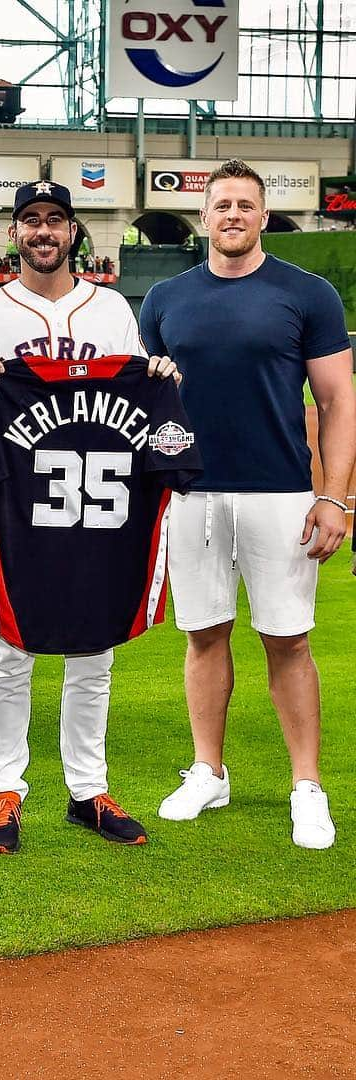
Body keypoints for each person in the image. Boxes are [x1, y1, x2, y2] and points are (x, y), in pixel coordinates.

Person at [0, 180, 179, 854]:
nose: (42, 232)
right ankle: (5, 792)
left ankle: (87, 791)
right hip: (19, 507)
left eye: (55, 220)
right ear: (15, 234)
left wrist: (159, 377)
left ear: (73, 232)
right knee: (11, 650)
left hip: (100, 506)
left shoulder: (110, 310)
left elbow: (138, 403)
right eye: (30, 221)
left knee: (93, 649)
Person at [139, 159, 356, 849]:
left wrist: (334, 495)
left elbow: (338, 402)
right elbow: (147, 406)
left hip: (283, 492)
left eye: (245, 204)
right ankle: (209, 771)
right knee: (204, 634)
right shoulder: (165, 299)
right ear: (204, 217)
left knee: (288, 641)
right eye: (221, 204)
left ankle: (306, 786)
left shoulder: (308, 293)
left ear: (264, 217)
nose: (232, 214)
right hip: (193, 495)